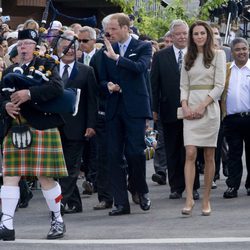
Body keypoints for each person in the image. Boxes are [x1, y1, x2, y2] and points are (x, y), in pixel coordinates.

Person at [0, 29, 68, 240]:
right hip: (16, 127)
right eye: (20, 44)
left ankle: (58, 220)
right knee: (10, 176)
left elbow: (57, 88)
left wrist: (29, 93)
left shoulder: (47, 65)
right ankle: (6, 225)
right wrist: (6, 106)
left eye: (28, 43)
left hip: (42, 126)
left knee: (45, 177)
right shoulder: (10, 69)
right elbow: (1, 95)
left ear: (35, 47)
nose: (23, 47)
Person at [99, 13, 152, 215]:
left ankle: (140, 190)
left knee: (135, 152)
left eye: (112, 29)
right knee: (113, 156)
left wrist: (117, 58)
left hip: (135, 108)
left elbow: (140, 68)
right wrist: (108, 86)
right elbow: (100, 80)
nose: (108, 33)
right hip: (113, 109)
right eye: (107, 29)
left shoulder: (142, 47)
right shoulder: (104, 51)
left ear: (125, 28)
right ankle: (121, 203)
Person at [180, 20, 226, 216]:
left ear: (208, 35)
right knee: (190, 152)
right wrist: (185, 105)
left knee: (209, 155)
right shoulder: (187, 56)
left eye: (202, 33)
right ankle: (190, 198)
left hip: (209, 108)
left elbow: (219, 86)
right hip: (189, 108)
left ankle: (206, 200)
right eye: (195, 34)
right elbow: (183, 85)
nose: (199, 37)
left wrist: (201, 106)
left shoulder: (219, 55)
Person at [151, 19, 200, 200]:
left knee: (191, 150)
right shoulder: (160, 56)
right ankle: (176, 187)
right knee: (172, 149)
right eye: (177, 34)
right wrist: (153, 109)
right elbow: (154, 85)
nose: (181, 37)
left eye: (184, 33)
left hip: (194, 111)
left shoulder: (197, 55)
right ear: (171, 36)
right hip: (169, 109)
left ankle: (193, 187)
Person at [57, 33, 98, 213]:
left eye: (72, 47)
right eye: (64, 47)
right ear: (58, 50)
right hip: (53, 125)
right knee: (60, 167)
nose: (69, 51)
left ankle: (60, 202)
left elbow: (92, 101)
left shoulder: (86, 71)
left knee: (72, 167)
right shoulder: (50, 69)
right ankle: (75, 203)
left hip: (77, 126)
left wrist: (91, 125)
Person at [221, 37, 250, 199]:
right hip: (231, 119)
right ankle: (232, 186)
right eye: (238, 49)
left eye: (244, 49)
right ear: (232, 52)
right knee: (233, 154)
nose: (241, 52)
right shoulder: (226, 70)